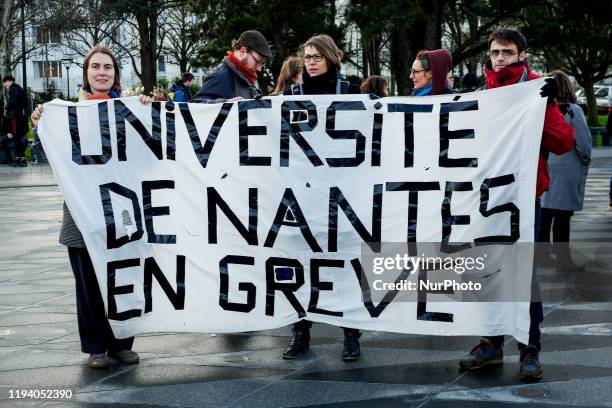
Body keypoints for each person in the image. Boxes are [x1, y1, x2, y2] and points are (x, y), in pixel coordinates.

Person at [458, 29, 575, 382]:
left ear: (522, 54)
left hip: (524, 199)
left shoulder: (537, 91)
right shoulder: (485, 93)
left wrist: (544, 107)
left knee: (524, 273)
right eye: (495, 52)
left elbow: (564, 142)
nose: (499, 58)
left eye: (507, 52)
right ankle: (492, 343)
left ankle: (529, 347)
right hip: (487, 198)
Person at [31, 45, 151, 369]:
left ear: (115, 74)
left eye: (108, 67)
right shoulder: (68, 113)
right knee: (88, 285)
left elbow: (149, 154)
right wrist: (42, 121)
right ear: (86, 73)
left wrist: (147, 111)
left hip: (121, 215)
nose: (101, 72)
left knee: (122, 280)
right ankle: (96, 346)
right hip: (83, 216)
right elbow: (50, 156)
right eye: (95, 66)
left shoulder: (128, 112)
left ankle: (122, 343)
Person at [282, 34, 362, 362]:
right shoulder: (292, 94)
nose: (310, 62)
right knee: (303, 265)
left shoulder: (352, 92)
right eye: (307, 56)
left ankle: (351, 334)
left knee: (345, 265)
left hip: (342, 193)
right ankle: (301, 332)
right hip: (305, 193)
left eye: (316, 56)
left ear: (330, 57)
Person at [539, 71, 591, 270]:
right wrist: (585, 161)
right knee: (562, 219)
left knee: (544, 217)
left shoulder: (542, 109)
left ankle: (542, 257)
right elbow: (583, 143)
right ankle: (564, 260)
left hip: (545, 165)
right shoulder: (573, 110)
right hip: (567, 169)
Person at [192, 30, 272, 103]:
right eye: (258, 62)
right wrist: (227, 103)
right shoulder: (222, 76)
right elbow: (195, 105)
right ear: (242, 52)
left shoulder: (244, 79)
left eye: (262, 64)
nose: (259, 68)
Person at [1, 75, 28, 166]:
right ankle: (22, 160)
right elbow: (25, 103)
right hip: (21, 118)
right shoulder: (20, 89)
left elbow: (12, 102)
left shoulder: (13, 89)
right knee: (20, 138)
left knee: (16, 139)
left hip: (15, 118)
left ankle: (17, 160)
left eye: (5, 83)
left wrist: (7, 109)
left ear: (8, 81)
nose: (5, 85)